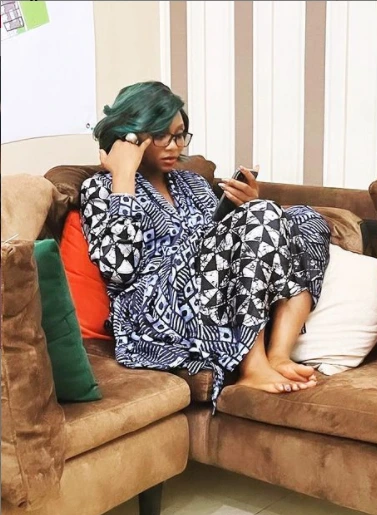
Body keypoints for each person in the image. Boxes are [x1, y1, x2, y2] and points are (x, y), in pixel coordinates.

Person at [80, 81, 331, 408]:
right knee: (263, 213)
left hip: (211, 296)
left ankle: (278, 355)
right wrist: (124, 176)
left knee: (306, 219)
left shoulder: (194, 183)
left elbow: (220, 245)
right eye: (161, 136)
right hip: (154, 311)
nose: (174, 146)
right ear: (132, 137)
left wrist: (251, 211)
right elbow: (118, 271)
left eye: (180, 135)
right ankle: (252, 365)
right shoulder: (101, 188)